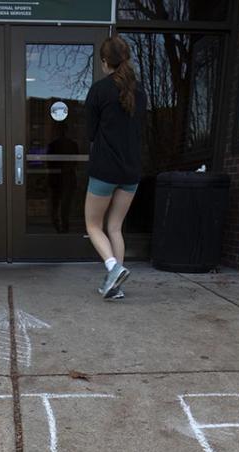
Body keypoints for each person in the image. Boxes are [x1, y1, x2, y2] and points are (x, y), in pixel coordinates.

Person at [84, 35, 146, 300]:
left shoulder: (99, 90)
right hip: (132, 171)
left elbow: (89, 132)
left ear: (104, 61)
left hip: (105, 170)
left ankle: (113, 268)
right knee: (115, 227)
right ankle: (115, 287)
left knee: (93, 225)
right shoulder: (139, 92)